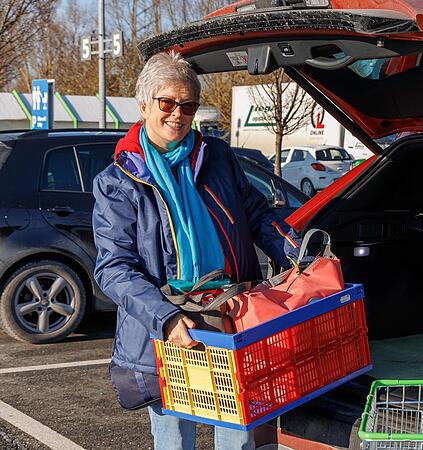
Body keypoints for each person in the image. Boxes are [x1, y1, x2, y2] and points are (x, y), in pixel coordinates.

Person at [92, 51, 297, 450]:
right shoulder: (117, 181)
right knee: (174, 440)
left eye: (188, 105)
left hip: (229, 314)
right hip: (167, 330)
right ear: (144, 105)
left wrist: (299, 254)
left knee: (239, 438)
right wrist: (166, 318)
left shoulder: (217, 157)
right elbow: (113, 267)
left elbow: (256, 214)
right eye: (167, 103)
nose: (177, 114)